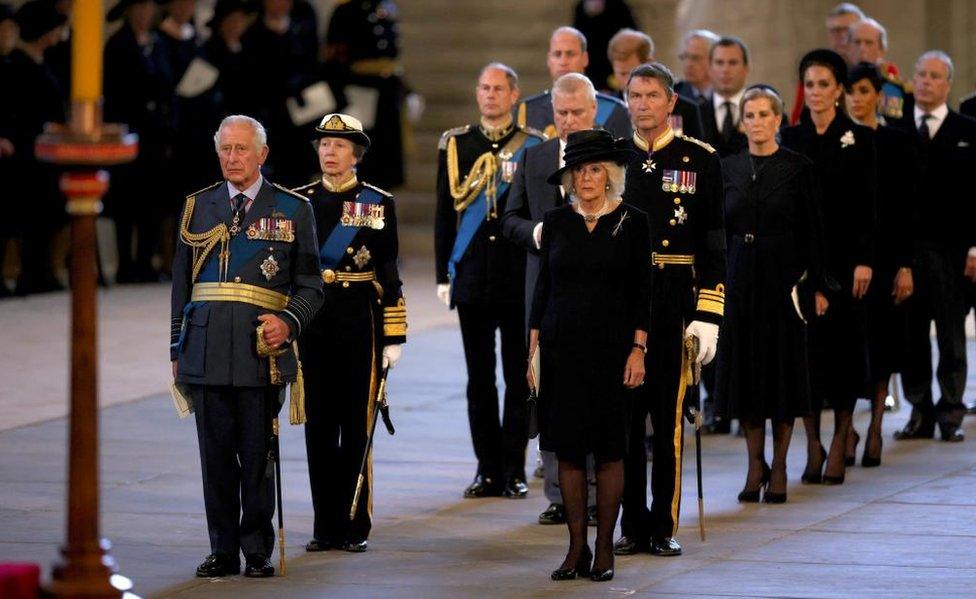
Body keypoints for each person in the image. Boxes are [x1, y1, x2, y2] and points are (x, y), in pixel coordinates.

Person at [170, 115, 323, 578]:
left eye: (241, 149)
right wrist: (177, 350)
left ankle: (256, 548)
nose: (232, 158)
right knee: (214, 458)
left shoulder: (292, 209)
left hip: (260, 353)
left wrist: (288, 322)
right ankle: (222, 549)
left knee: (257, 457)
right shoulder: (197, 207)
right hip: (206, 349)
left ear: (262, 154)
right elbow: (182, 286)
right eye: (225, 149)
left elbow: (312, 285)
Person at [528, 128, 649, 582]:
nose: (586, 178)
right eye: (579, 170)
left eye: (595, 168)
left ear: (611, 174)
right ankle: (575, 547)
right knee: (570, 452)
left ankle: (604, 548)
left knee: (611, 450)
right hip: (561, 350)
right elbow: (543, 290)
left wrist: (639, 349)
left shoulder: (634, 221)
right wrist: (532, 352)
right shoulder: (557, 221)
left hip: (614, 351)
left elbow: (643, 293)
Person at [615, 62, 725, 557]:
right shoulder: (612, 159)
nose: (641, 105)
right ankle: (632, 525)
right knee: (625, 422)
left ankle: (663, 525)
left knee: (667, 420)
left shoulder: (698, 159)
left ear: (671, 102)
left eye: (651, 96)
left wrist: (709, 313)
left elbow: (715, 244)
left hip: (677, 299)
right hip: (622, 303)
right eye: (634, 96)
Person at [294, 113, 406, 553]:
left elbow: (389, 271)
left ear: (356, 154)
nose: (330, 153)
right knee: (318, 428)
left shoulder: (377, 203)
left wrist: (395, 336)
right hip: (313, 325)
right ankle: (325, 526)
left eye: (339, 146)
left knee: (356, 427)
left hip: (361, 325)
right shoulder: (298, 201)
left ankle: (355, 524)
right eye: (324, 145)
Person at [435, 64, 545, 500]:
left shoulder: (533, 146)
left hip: (518, 278)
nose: (491, 95)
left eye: (499, 88)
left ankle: (513, 468)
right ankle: (485, 469)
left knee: (519, 379)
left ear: (514, 95)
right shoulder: (457, 144)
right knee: (478, 379)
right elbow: (446, 213)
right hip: (474, 279)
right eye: (484, 87)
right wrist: (444, 272)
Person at [501, 72, 603, 525]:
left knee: (595, 393)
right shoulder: (536, 156)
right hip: (544, 293)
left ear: (594, 110)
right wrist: (535, 232)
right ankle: (560, 494)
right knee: (549, 391)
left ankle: (599, 492)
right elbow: (509, 219)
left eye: (577, 112)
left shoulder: (608, 160)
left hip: (597, 295)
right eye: (561, 112)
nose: (568, 120)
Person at [717, 85, 826, 504]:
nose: (758, 122)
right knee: (745, 375)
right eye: (751, 115)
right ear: (742, 121)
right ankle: (754, 463)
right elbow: (718, 229)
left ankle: (779, 465)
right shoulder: (726, 168)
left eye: (765, 114)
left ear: (779, 120)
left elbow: (814, 232)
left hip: (784, 283)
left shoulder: (798, 168)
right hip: (740, 278)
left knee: (781, 375)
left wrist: (816, 284)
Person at [781, 49, 876, 485]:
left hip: (845, 262)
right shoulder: (792, 138)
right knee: (805, 358)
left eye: (824, 84)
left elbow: (869, 209)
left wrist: (864, 260)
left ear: (839, 89)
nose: (816, 92)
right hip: (803, 264)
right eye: (810, 84)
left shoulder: (859, 139)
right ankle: (813, 444)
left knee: (843, 356)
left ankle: (840, 439)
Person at [892, 51, 976, 442]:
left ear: (948, 83)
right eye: (921, 74)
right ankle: (919, 411)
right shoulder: (896, 129)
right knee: (911, 335)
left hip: (953, 252)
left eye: (935, 76)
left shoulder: (968, 129)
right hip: (908, 253)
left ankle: (951, 414)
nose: (926, 81)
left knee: (951, 335)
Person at [844, 62, 916, 465]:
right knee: (848, 345)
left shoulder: (896, 141)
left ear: (878, 95)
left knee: (884, 342)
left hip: (888, 254)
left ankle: (874, 427)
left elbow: (908, 207)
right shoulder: (838, 137)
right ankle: (849, 427)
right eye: (851, 90)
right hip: (846, 256)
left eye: (864, 90)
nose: (857, 98)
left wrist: (905, 264)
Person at [104, 0, 176, 283]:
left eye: (150, 9)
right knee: (126, 203)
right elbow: (115, 92)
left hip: (156, 136)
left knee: (153, 203)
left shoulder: (158, 43)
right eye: (140, 9)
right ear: (129, 11)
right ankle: (125, 264)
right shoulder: (118, 44)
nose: (145, 14)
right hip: (130, 134)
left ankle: (145, 261)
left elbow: (167, 85)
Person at [3, 0, 67, 295]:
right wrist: (46, 127)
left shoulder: (46, 60)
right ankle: (27, 274)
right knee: (28, 216)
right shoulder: (16, 64)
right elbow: (19, 112)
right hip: (26, 152)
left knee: (47, 215)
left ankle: (42, 272)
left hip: (46, 153)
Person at [325, 0, 411, 190]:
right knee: (363, 163)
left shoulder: (386, 7)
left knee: (386, 163)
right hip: (358, 92)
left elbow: (390, 58)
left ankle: (380, 214)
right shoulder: (345, 11)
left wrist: (408, 91)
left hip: (386, 94)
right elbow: (333, 59)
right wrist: (342, 100)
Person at [243, 0, 320, 187]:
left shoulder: (301, 29)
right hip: (269, 114)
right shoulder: (253, 33)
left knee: (300, 171)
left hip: (300, 113)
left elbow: (313, 64)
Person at [515, 26, 631, 140]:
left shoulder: (615, 111)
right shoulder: (527, 111)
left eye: (570, 54)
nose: (563, 61)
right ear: (549, 60)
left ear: (585, 58)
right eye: (557, 54)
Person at [605, 28, 703, 140]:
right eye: (622, 74)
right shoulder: (606, 110)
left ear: (650, 63)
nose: (628, 82)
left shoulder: (685, 110)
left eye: (633, 74)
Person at [790, 2, 865, 124]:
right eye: (835, 31)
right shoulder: (814, 74)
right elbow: (797, 118)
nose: (841, 36)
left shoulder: (876, 72)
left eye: (846, 30)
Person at [571, 0, 638, 92]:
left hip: (615, 71)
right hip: (590, 73)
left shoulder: (620, 9)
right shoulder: (580, 9)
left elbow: (633, 42)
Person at [849, 18, 907, 121]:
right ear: (849, 47)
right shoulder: (838, 81)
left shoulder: (891, 87)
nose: (862, 48)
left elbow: (891, 122)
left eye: (868, 43)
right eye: (857, 42)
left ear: (881, 49)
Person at [700, 36, 749, 157]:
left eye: (733, 63)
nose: (725, 70)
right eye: (719, 63)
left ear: (746, 68)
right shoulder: (696, 113)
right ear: (710, 69)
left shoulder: (767, 111)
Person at [674, 29, 720, 105]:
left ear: (714, 60)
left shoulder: (725, 93)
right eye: (685, 57)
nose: (688, 64)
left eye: (695, 58)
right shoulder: (673, 95)